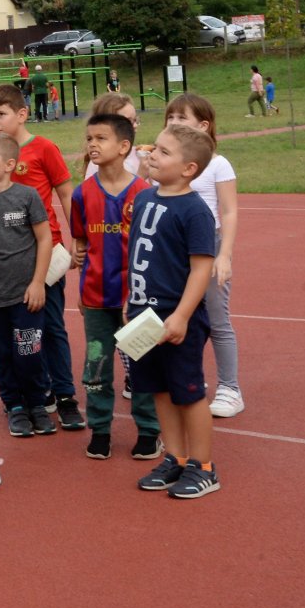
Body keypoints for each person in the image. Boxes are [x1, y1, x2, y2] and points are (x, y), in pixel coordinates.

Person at [127, 123, 222, 500]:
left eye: (164, 152)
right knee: (157, 389)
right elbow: (137, 254)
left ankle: (204, 466)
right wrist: (129, 302)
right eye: (156, 148)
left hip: (175, 316)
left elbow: (201, 268)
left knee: (188, 390)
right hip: (141, 314)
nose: (152, 155)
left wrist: (182, 315)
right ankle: (176, 457)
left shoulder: (195, 210)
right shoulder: (147, 199)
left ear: (189, 170)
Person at [0, 84, 82, 430]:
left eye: (1, 115)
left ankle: (66, 395)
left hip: (45, 253)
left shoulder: (42, 148)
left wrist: (76, 239)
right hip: (8, 262)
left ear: (22, 114)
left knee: (51, 327)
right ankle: (36, 397)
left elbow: (67, 193)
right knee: (20, 334)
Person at [69, 113, 163, 461]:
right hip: (96, 297)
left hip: (138, 300)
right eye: (89, 138)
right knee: (96, 365)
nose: (92, 144)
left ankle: (149, 430)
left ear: (124, 147)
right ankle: (101, 430)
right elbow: (81, 244)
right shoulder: (82, 194)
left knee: (142, 364)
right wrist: (81, 291)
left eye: (101, 138)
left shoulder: (144, 193)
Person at [0, 132, 55, 439]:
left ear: (9, 165)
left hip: (26, 295)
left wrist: (38, 282)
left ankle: (38, 404)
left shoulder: (26, 197)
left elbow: (45, 239)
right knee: (2, 354)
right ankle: (14, 406)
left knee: (28, 354)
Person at [163, 94, 243, 419]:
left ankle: (230, 388)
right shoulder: (166, 163)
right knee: (176, 316)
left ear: (203, 125)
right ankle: (185, 379)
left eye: (181, 118)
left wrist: (224, 255)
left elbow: (230, 211)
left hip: (206, 247)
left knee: (216, 319)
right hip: (171, 247)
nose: (173, 123)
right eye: (170, 117)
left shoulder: (218, 164)